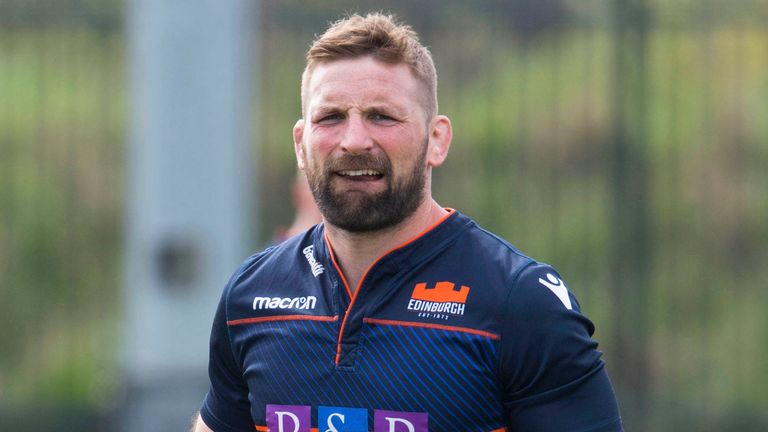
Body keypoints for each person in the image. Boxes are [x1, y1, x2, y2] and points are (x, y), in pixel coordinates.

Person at [192, 12, 622, 432]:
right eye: (331, 117)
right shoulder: (251, 298)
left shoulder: (520, 303)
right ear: (301, 145)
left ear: (436, 140)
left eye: (382, 116)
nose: (354, 140)